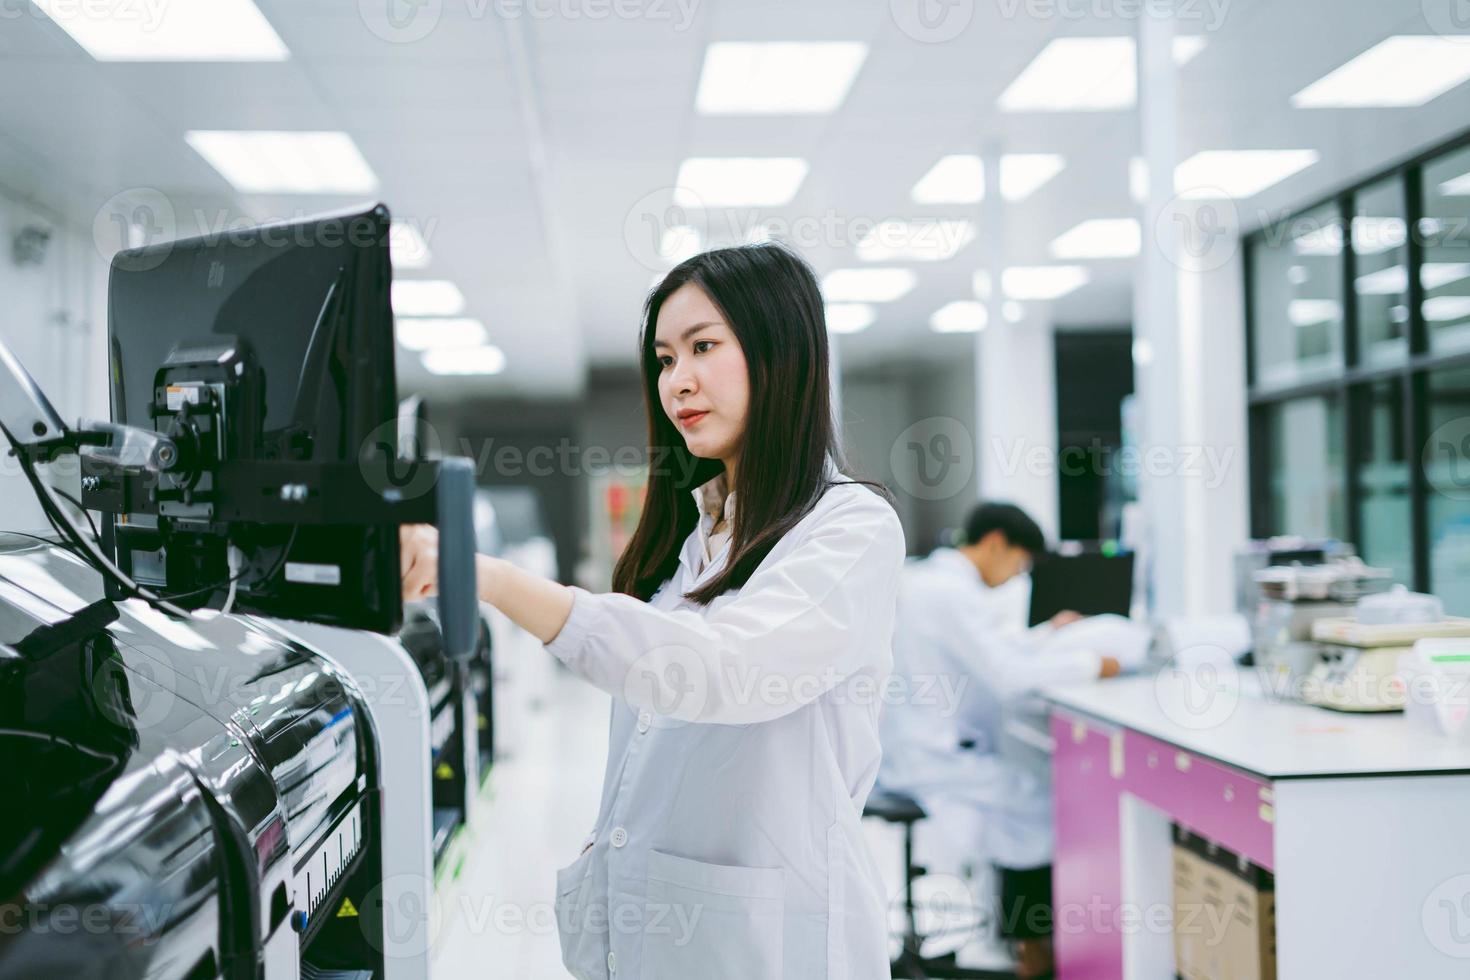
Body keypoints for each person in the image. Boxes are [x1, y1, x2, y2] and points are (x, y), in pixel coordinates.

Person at [400, 244, 906, 980]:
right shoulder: (700, 533)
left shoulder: (849, 527)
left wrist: (494, 581)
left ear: (781, 355)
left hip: (771, 945)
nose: (678, 381)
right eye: (665, 359)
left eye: (704, 347)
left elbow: (722, 673)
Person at [879, 502, 1136, 979]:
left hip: (915, 750)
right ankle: (1036, 954)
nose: (1019, 576)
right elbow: (1008, 675)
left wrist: (1044, 636)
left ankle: (1026, 943)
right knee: (1044, 808)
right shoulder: (949, 594)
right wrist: (1093, 664)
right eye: (1021, 563)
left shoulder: (936, 584)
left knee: (1030, 802)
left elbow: (991, 654)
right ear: (996, 542)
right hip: (932, 759)